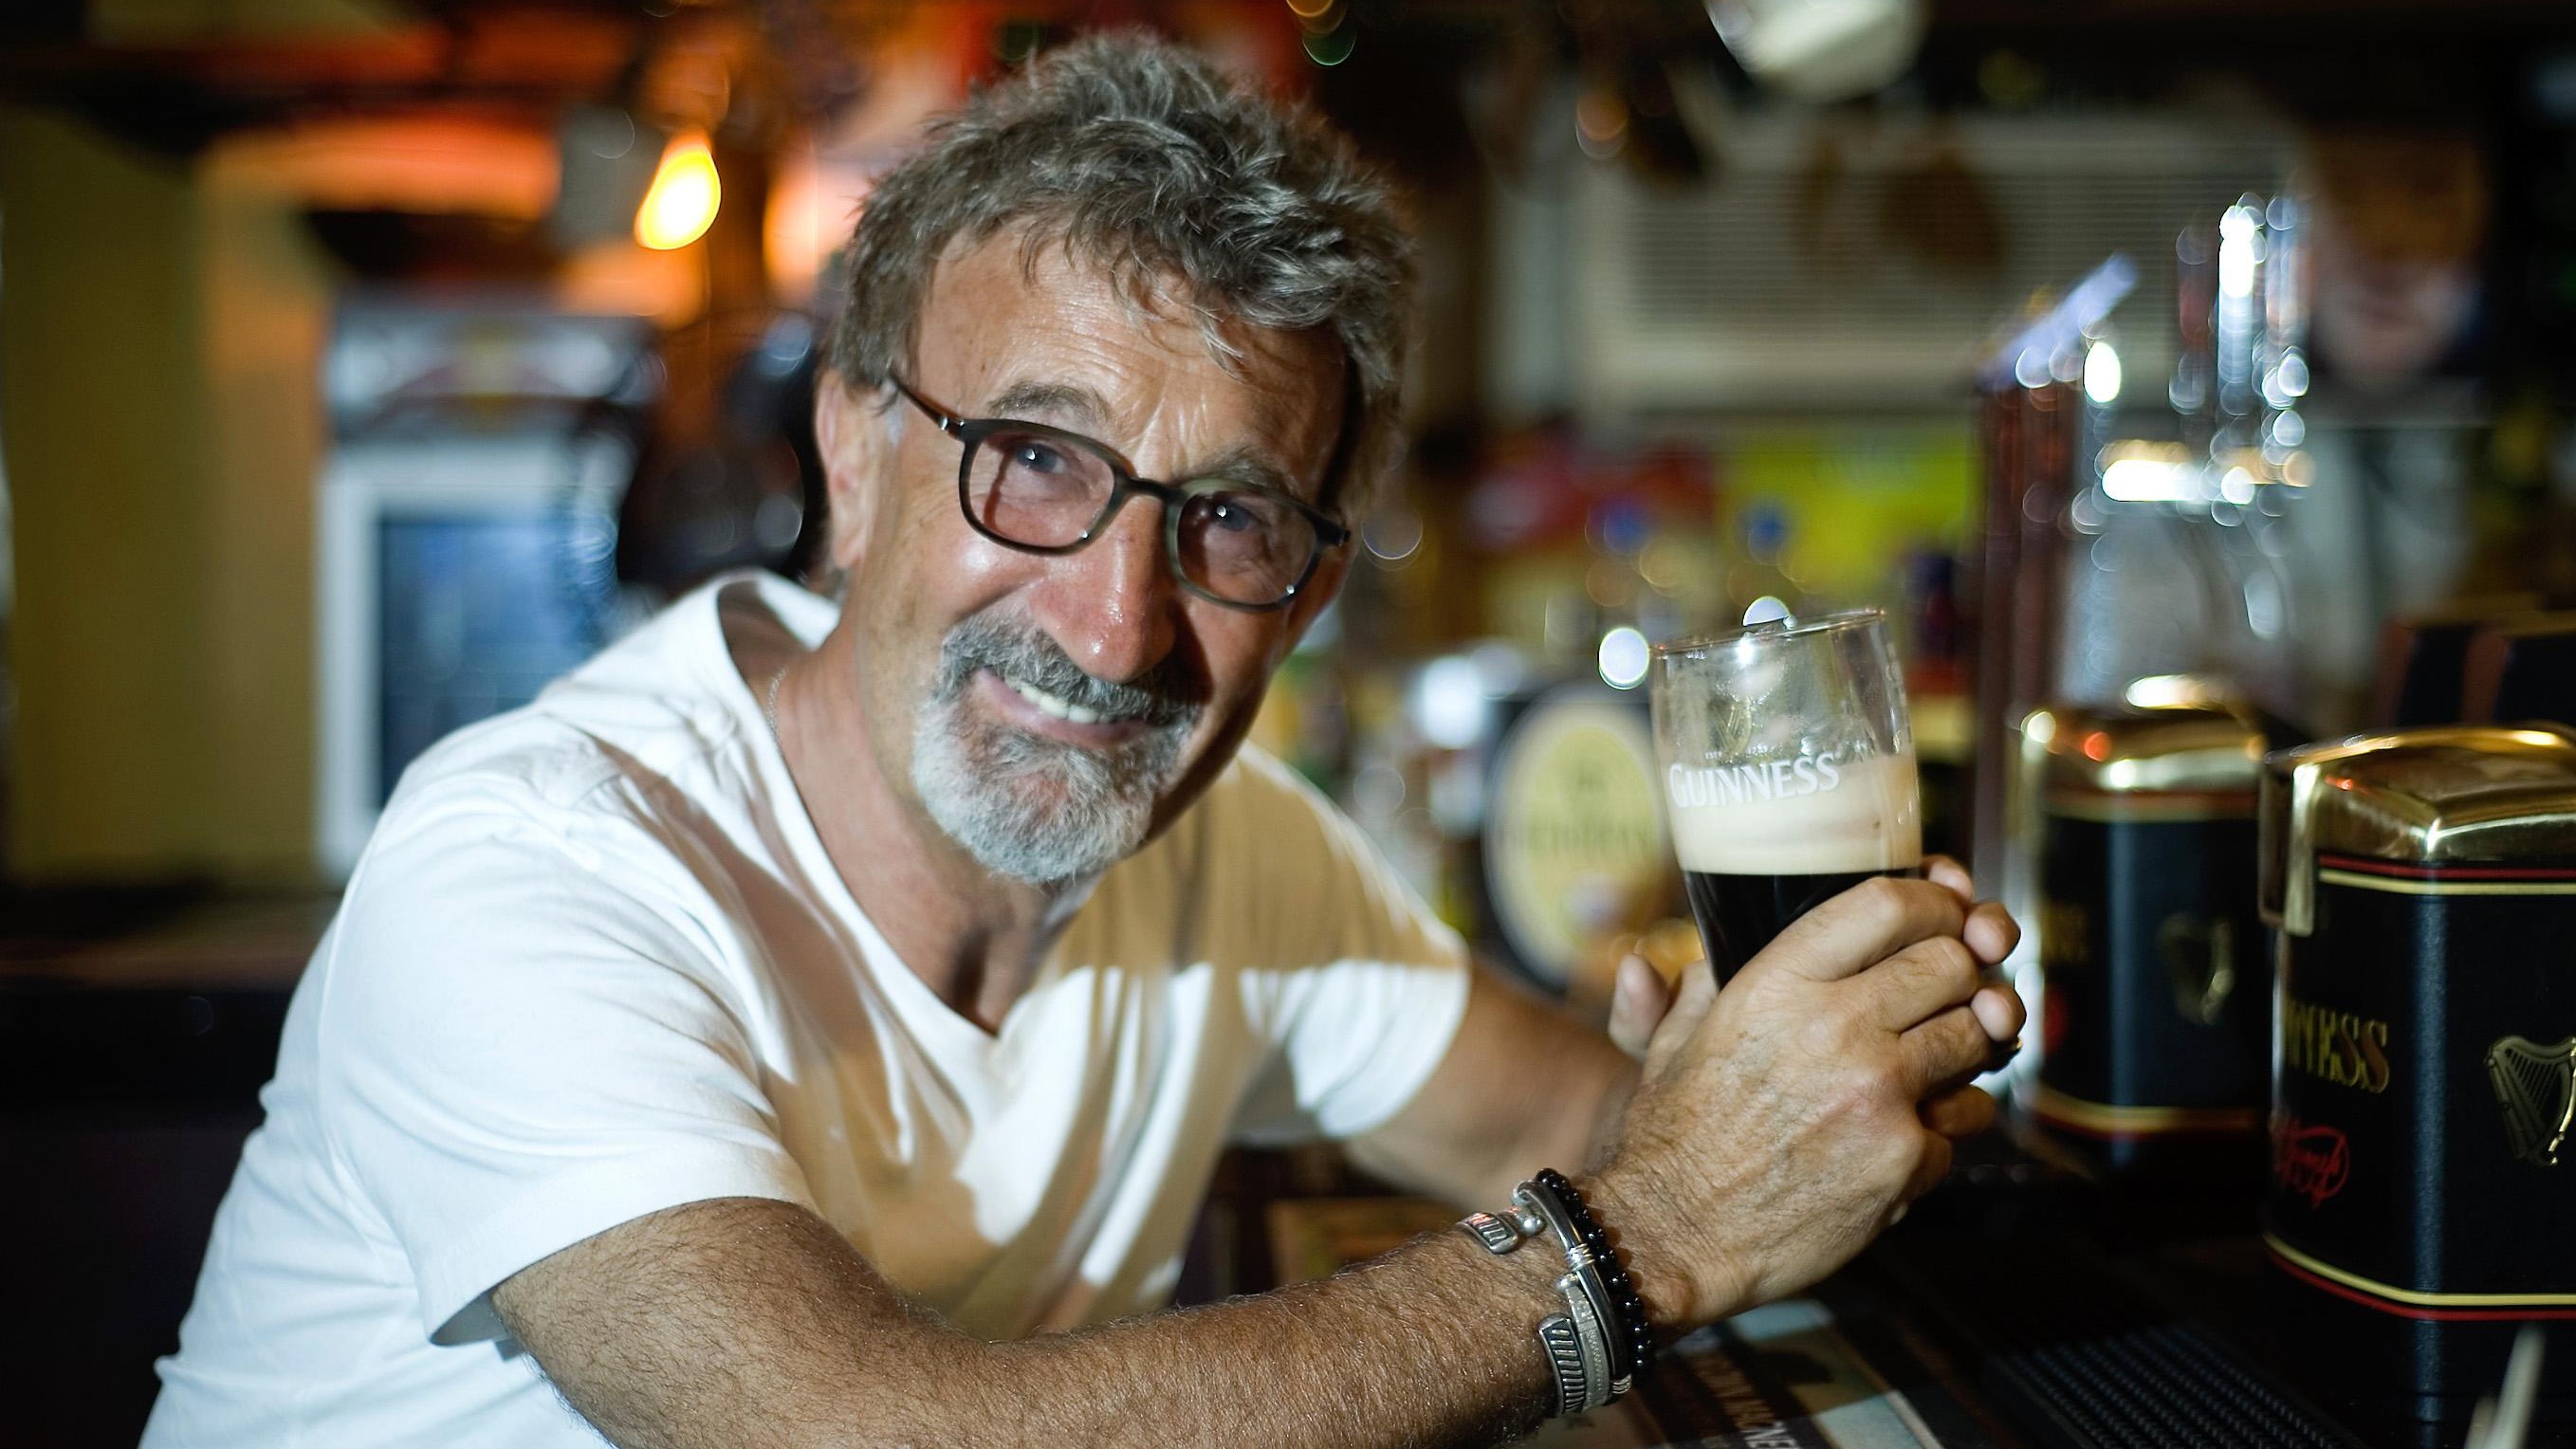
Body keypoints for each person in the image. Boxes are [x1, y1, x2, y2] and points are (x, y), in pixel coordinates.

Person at [144, 34, 2021, 1449]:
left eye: (1230, 517)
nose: (1118, 626)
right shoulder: (536, 867)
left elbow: (1588, 1129)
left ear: (1308, 582)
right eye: (1035, 459)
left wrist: (1796, 1088)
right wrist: (1639, 1243)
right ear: (856, 458)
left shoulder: (1229, 852)